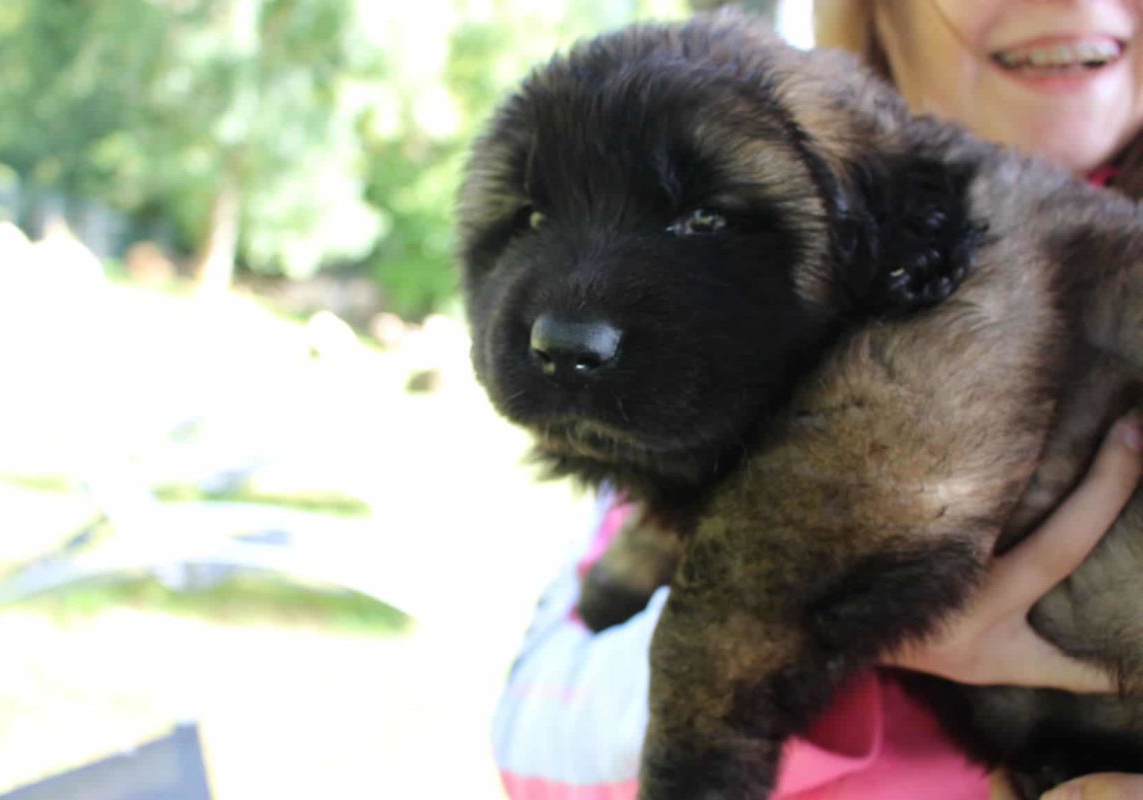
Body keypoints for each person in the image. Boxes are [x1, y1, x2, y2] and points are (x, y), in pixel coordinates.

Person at [490, 2, 1143, 799]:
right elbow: (532, 741)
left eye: (705, 218)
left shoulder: (971, 257)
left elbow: (877, 461)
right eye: (531, 216)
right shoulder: (706, 409)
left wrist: (731, 654)